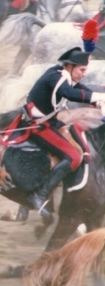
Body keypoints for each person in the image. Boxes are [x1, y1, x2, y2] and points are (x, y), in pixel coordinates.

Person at [23, 47, 105, 218]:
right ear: (70, 67)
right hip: (38, 124)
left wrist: (98, 98)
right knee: (74, 157)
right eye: (82, 69)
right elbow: (68, 93)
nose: (84, 73)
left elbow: (81, 88)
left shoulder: (62, 75)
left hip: (49, 121)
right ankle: (38, 195)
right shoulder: (57, 76)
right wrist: (96, 98)